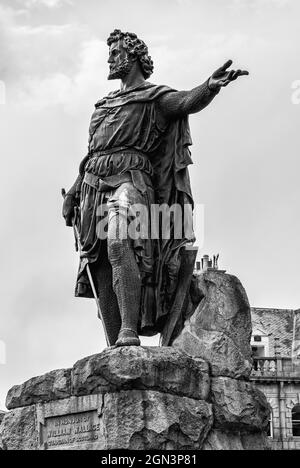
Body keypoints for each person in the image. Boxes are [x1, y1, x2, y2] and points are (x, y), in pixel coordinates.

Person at [62, 29, 248, 347]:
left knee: (120, 242)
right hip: (93, 186)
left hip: (132, 182)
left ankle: (129, 331)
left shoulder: (154, 98)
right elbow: (94, 154)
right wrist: (75, 191)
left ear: (134, 57)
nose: (110, 58)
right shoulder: (103, 106)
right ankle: (114, 343)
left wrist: (209, 87)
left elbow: (186, 101)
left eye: (117, 52)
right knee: (99, 261)